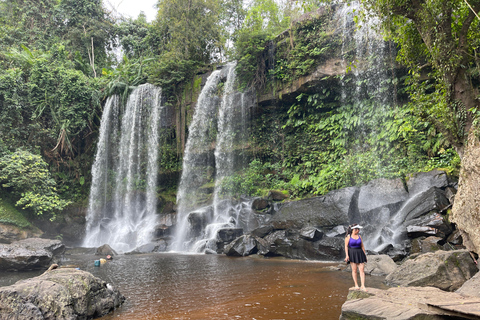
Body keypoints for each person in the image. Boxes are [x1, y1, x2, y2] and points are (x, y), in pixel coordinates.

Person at [344, 224, 367, 291]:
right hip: (352, 253)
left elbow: (362, 246)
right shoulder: (348, 237)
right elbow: (346, 246)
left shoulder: (359, 236)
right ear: (354, 229)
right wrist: (347, 255)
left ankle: (363, 285)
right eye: (358, 229)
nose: (359, 230)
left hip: (360, 253)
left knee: (362, 270)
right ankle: (356, 285)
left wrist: (364, 255)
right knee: (354, 270)